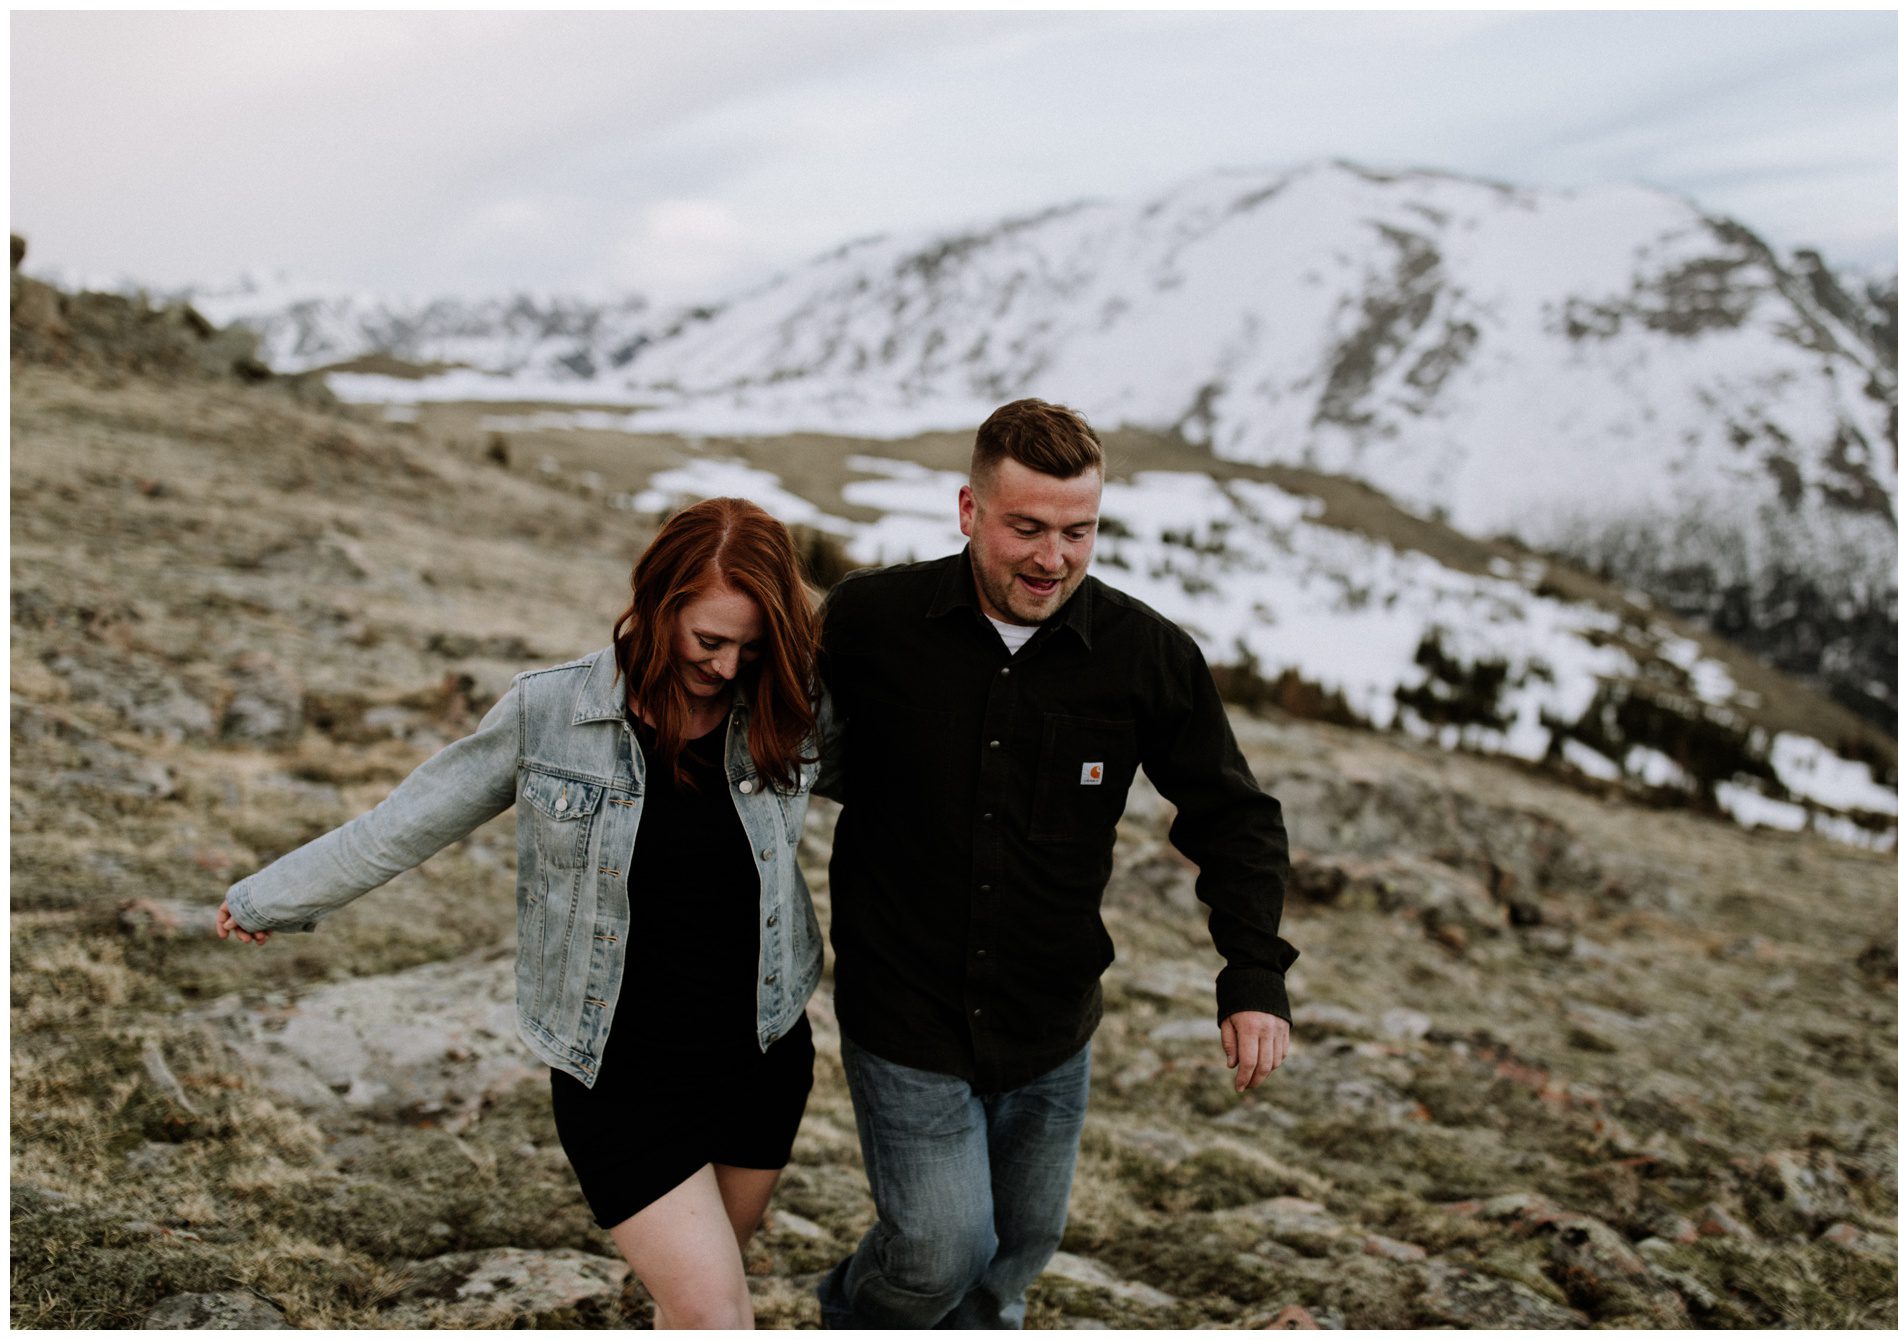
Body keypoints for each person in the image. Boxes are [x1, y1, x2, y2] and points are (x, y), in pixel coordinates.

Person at [216, 497, 831, 1329]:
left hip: (761, 1055)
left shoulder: (785, 705)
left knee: (695, 1305)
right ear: (657, 604)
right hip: (621, 1076)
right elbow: (404, 823)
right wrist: (272, 897)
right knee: (718, 1316)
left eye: (749, 648)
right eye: (708, 641)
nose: (726, 668)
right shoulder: (551, 714)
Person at [813, 398, 1298, 1328]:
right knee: (937, 1254)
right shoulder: (874, 621)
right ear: (968, 511)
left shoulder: (1147, 656)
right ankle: (848, 1312)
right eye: (1026, 528)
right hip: (904, 1014)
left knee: (1008, 1268)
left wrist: (1253, 973)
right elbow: (760, 731)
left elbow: (1233, 816)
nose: (1052, 558)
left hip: (1049, 1027)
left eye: (1079, 531)